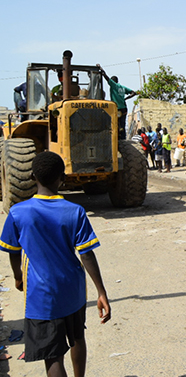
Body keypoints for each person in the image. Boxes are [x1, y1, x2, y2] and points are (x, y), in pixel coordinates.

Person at [0, 151, 111, 377]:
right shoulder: (75, 211)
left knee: (53, 355)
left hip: (41, 297)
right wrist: (101, 291)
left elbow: (13, 251)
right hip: (73, 291)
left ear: (33, 176)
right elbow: (86, 255)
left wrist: (18, 276)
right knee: (77, 338)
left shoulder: (18, 212)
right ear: (62, 178)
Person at [99, 68, 138, 140]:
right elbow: (134, 93)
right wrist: (126, 98)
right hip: (124, 107)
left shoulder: (114, 85)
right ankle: (123, 138)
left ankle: (115, 138)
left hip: (117, 108)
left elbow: (106, 77)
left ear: (113, 81)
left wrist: (101, 68)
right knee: (122, 124)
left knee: (115, 123)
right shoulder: (123, 87)